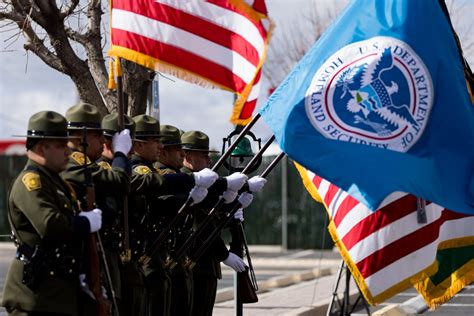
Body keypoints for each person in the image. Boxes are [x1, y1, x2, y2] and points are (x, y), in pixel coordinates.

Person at [1, 111, 103, 315]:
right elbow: (49, 225)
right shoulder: (31, 182)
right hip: (36, 296)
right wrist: (84, 223)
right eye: (60, 146)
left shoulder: (56, 181)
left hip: (58, 291)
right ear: (40, 147)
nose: (68, 151)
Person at [180, 131, 265, 316]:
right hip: (196, 262)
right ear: (187, 156)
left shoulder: (203, 183)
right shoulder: (186, 182)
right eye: (204, 156)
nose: (209, 161)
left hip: (206, 264)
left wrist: (233, 209)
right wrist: (224, 254)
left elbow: (213, 218)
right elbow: (201, 225)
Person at [61, 102, 132, 315]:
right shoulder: (75, 162)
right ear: (79, 137)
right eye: (97, 135)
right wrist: (120, 153)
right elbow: (119, 181)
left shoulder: (85, 162)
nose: (103, 141)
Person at [153, 125, 193, 315]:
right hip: (165, 255)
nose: (182, 154)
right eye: (178, 149)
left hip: (176, 255)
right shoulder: (162, 175)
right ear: (164, 152)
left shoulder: (176, 175)